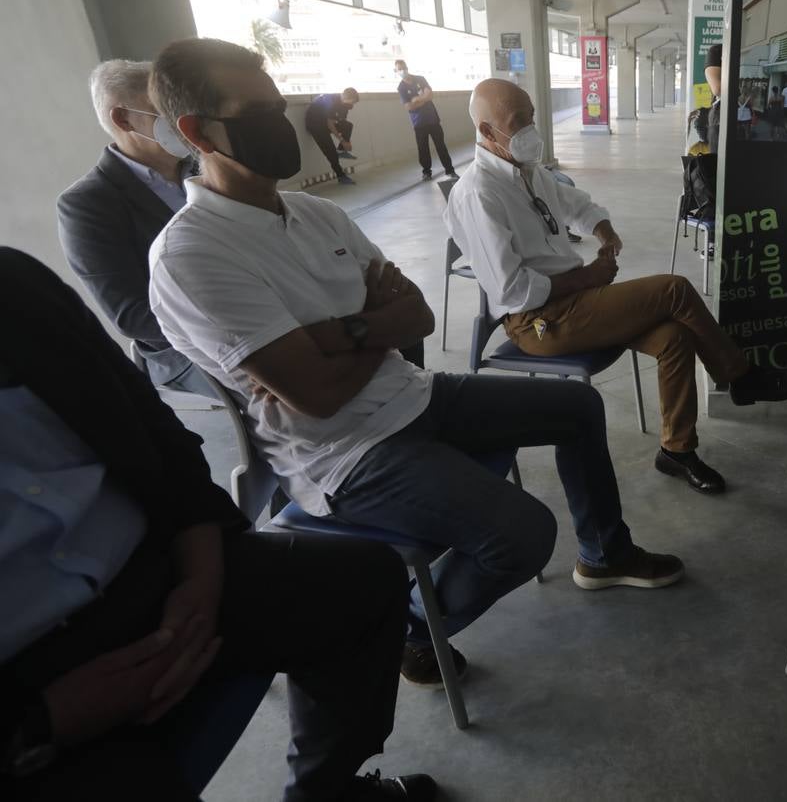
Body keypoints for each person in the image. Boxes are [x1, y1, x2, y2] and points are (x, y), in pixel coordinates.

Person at [145, 39, 683, 690]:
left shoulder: (317, 214)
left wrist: (338, 334)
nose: (280, 122)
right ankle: (407, 630)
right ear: (197, 132)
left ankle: (605, 553)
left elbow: (420, 316)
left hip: (415, 394)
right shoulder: (193, 255)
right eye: (255, 111)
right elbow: (317, 396)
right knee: (522, 533)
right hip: (345, 453)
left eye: (278, 105)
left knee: (576, 406)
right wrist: (377, 326)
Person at [0, 247, 433, 802]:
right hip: (28, 673)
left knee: (367, 582)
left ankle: (329, 788)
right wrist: (36, 722)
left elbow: (156, 431)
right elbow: (150, 324)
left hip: (152, 565)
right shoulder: (164, 239)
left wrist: (202, 571)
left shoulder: (15, 284)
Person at [446, 78, 787, 495]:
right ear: (488, 132)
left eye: (531, 116)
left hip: (575, 301)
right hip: (538, 322)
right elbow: (512, 291)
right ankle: (740, 376)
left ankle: (677, 450)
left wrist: (602, 230)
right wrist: (588, 277)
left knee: (673, 337)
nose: (530, 128)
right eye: (519, 121)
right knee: (673, 290)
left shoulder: (528, 172)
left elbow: (574, 205)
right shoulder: (478, 193)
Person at [57, 60, 211, 397]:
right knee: (294, 385)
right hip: (184, 349)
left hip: (258, 311)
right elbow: (132, 314)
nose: (183, 121)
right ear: (122, 118)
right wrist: (230, 334)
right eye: (165, 111)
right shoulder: (88, 204)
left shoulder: (208, 170)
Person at [394, 60, 457, 182]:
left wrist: (417, 99)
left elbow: (430, 95)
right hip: (418, 123)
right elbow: (408, 107)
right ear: (396, 71)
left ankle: (450, 170)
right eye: (399, 69)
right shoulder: (401, 87)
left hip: (433, 119)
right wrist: (423, 99)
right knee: (423, 148)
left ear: (407, 67)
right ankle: (426, 172)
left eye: (404, 68)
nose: (403, 71)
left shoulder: (420, 79)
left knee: (441, 146)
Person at [304, 88, 359, 186]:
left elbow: (341, 122)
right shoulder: (332, 101)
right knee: (330, 151)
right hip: (315, 125)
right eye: (352, 101)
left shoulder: (346, 105)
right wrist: (343, 141)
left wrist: (347, 142)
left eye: (353, 103)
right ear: (345, 96)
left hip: (325, 122)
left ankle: (341, 151)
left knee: (348, 125)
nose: (352, 105)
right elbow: (330, 124)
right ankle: (341, 176)